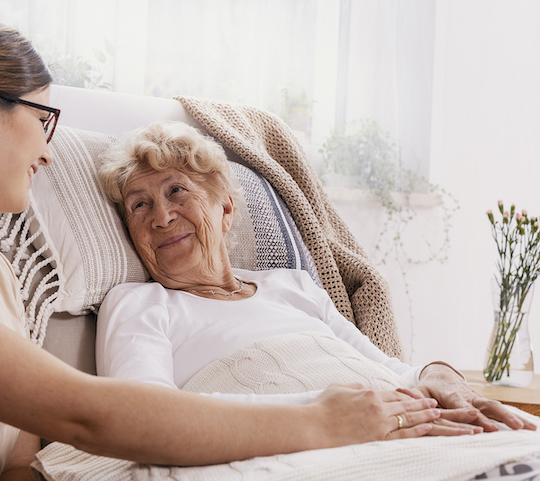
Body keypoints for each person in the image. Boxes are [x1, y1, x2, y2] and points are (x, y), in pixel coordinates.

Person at [0, 19, 457, 481]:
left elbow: (17, 459)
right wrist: (321, 422)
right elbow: (86, 416)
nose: (48, 150)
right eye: (44, 121)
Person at [95, 121, 537, 437]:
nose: (162, 216)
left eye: (177, 191)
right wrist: (323, 414)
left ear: (226, 209)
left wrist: (441, 375)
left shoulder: (294, 286)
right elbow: (145, 418)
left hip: (403, 425)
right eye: (139, 205)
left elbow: (389, 369)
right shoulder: (139, 304)